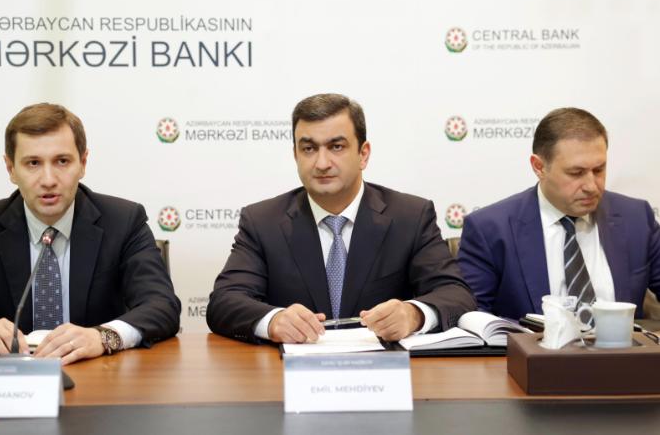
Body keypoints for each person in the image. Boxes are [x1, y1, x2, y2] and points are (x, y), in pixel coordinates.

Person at [0, 103, 181, 364]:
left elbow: (162, 305)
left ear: (83, 163)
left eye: (62, 161)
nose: (49, 180)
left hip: (99, 374)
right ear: (11, 169)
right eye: (33, 163)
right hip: (10, 376)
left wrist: (103, 337)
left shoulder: (123, 221)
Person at [206, 93, 476, 344]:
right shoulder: (263, 222)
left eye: (336, 146)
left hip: (384, 371)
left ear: (363, 154)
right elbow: (225, 301)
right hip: (292, 372)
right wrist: (274, 321)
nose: (322, 163)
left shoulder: (410, 216)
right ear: (295, 155)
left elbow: (456, 294)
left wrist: (413, 314)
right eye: (309, 149)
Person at [458, 107, 660, 320]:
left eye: (599, 170)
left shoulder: (637, 218)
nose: (591, 186)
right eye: (576, 173)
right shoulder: (490, 230)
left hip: (621, 343)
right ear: (539, 167)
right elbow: (471, 318)